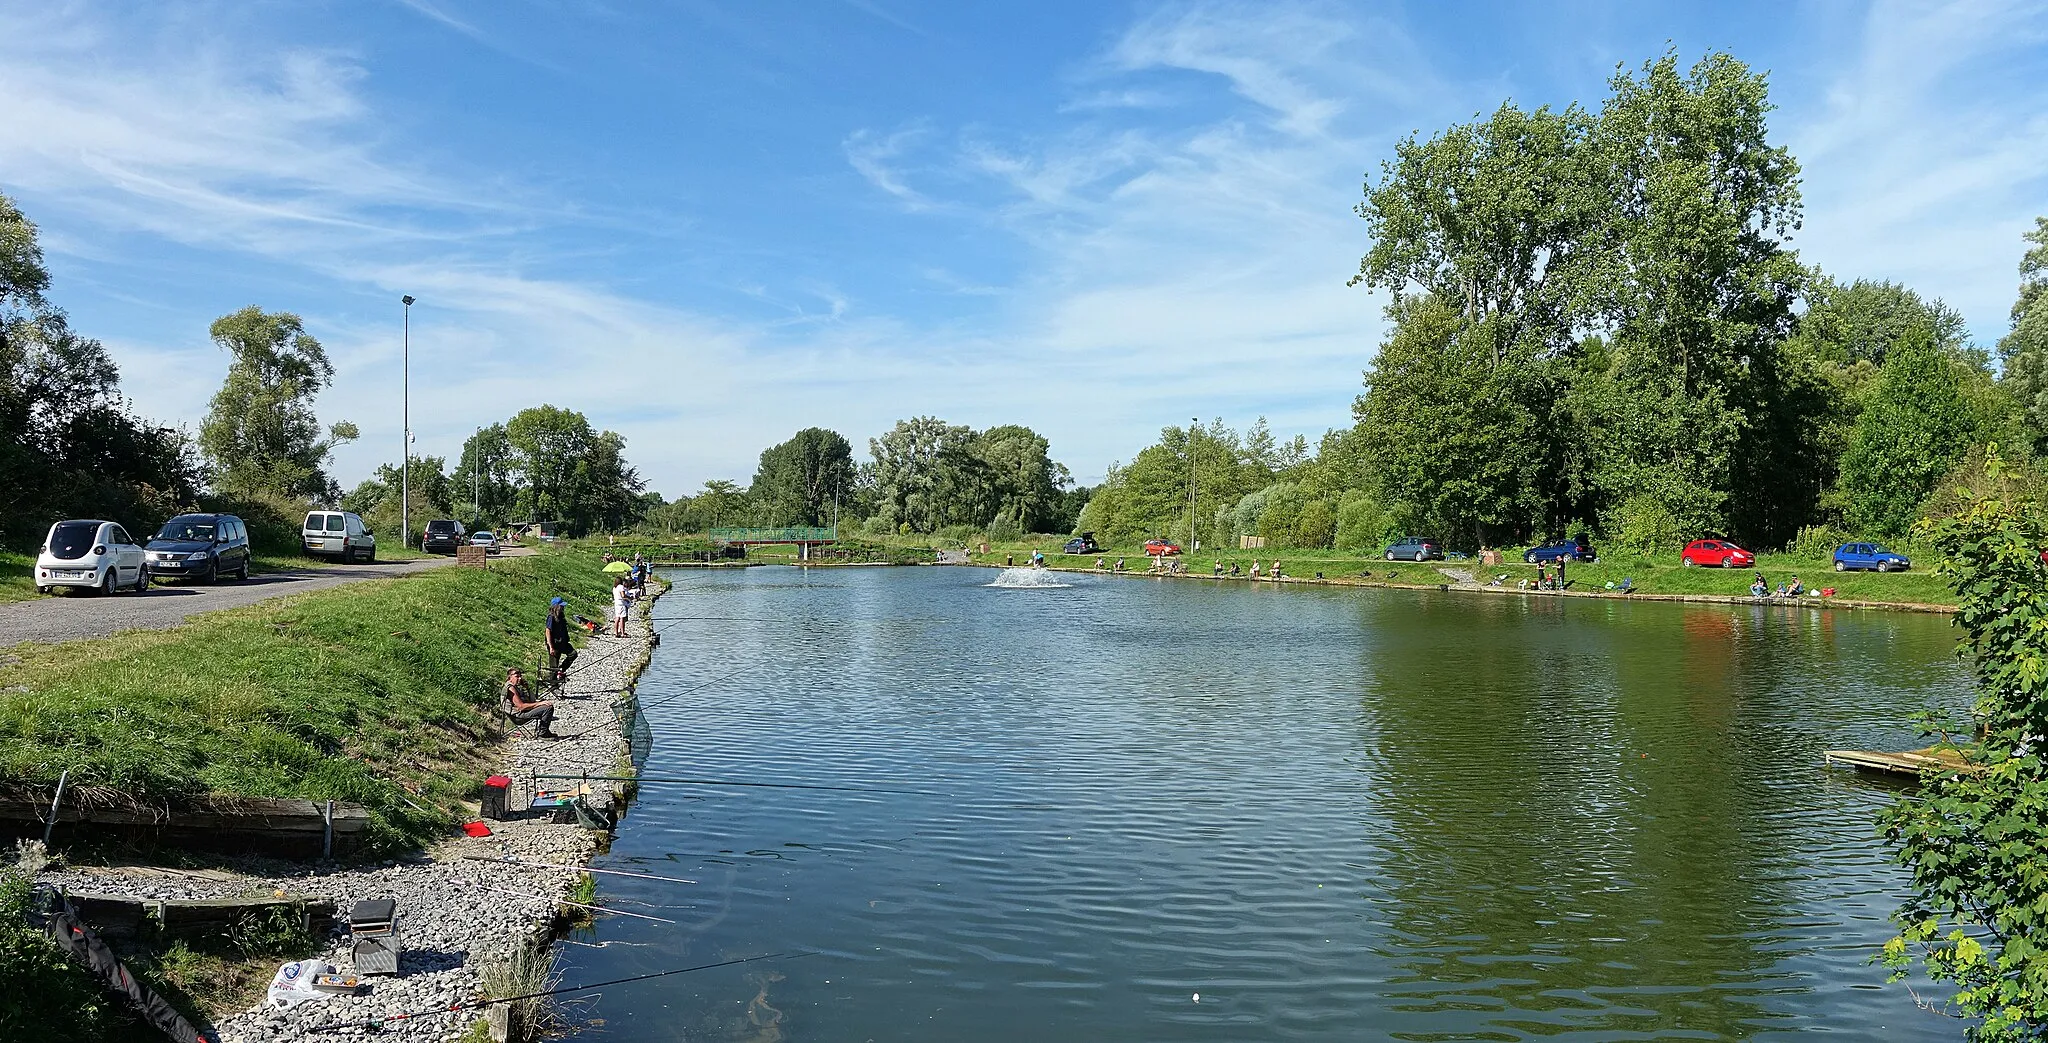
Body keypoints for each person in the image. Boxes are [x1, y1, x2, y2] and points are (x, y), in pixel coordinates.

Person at [502, 668, 557, 737]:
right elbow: (521, 706)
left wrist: (527, 688)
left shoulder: (516, 687)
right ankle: (543, 733)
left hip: (522, 712)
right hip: (518, 717)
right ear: (510, 677)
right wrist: (539, 704)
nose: (520, 678)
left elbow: (532, 700)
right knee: (548, 708)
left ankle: (543, 730)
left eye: (520, 676)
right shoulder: (510, 688)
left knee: (545, 703)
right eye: (517, 677)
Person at [544, 597, 577, 688]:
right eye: (561, 606)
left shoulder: (561, 616)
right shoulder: (551, 617)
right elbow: (548, 631)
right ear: (557, 607)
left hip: (563, 643)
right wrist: (551, 646)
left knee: (573, 654)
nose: (563, 608)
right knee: (554, 665)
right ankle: (553, 685)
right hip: (554, 644)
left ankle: (561, 670)